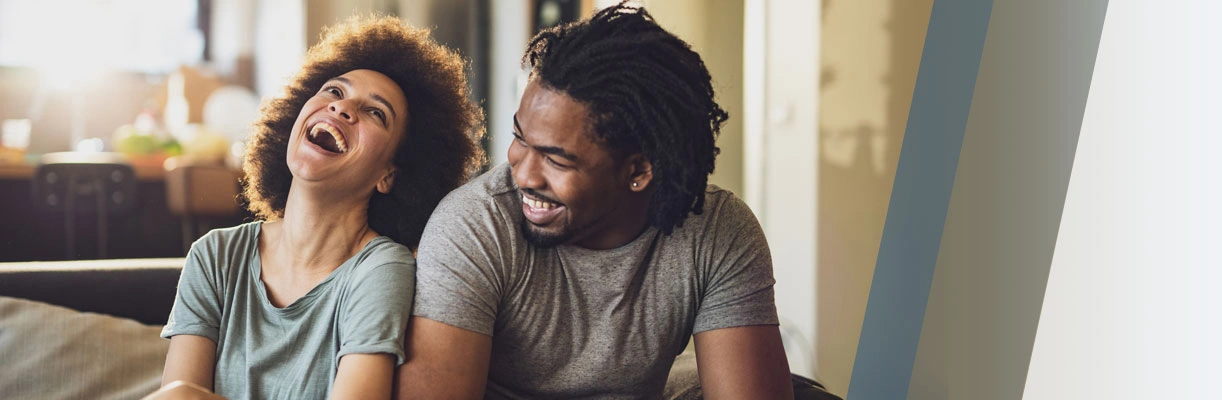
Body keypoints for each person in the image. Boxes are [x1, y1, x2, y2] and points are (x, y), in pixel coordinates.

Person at [396, 3, 794, 399]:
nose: (523, 174)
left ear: (638, 171)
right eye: (520, 138)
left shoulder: (715, 231)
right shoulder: (474, 225)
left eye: (555, 159)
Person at [152, 16, 484, 400]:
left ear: (389, 175)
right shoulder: (215, 255)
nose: (342, 108)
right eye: (333, 91)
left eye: (376, 113)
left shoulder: (381, 269)